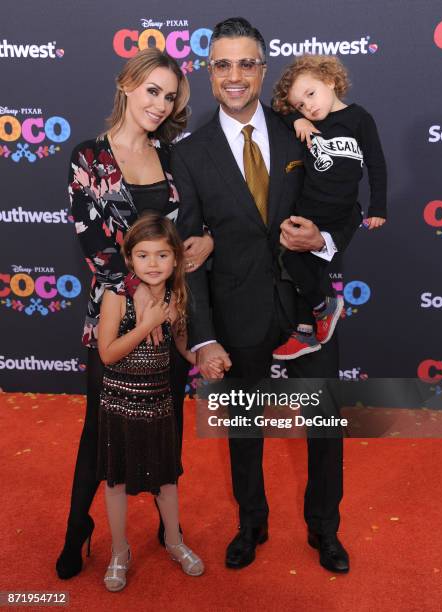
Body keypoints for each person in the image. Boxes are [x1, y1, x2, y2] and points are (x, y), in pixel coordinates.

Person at [173, 17, 360, 573]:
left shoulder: (303, 130)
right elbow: (190, 256)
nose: (235, 76)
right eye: (223, 64)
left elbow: (347, 207)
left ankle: (325, 529)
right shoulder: (189, 154)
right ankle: (251, 524)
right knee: (244, 428)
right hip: (236, 312)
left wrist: (322, 238)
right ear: (209, 74)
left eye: (246, 64)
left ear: (263, 69)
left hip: (307, 309)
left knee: (325, 427)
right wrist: (203, 336)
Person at [56, 48, 214, 580]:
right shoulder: (88, 158)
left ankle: (170, 532)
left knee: (166, 433)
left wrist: (205, 243)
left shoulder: (174, 158)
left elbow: (195, 224)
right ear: (127, 84)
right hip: (114, 320)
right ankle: (80, 527)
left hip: (171, 324)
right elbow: (97, 248)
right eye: (153, 90)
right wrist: (143, 304)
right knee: (98, 432)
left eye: (170, 97)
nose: (161, 104)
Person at [97, 213, 206, 591]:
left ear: (176, 258)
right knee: (116, 481)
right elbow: (107, 354)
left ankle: (174, 541)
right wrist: (145, 325)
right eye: (143, 256)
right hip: (120, 400)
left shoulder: (176, 295)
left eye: (162, 255)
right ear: (130, 260)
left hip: (159, 399)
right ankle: (119, 550)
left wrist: (201, 360)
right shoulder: (116, 295)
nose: (153, 264)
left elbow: (179, 341)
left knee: (167, 478)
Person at [271, 54, 387, 360]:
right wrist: (296, 118)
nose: (308, 106)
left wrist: (378, 207)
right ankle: (307, 330)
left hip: (340, 215)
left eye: (311, 94)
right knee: (294, 266)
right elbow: (275, 110)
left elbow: (376, 163)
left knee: (307, 270)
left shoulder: (358, 118)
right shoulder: (305, 123)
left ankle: (318, 315)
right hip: (308, 209)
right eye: (300, 104)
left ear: (330, 81)